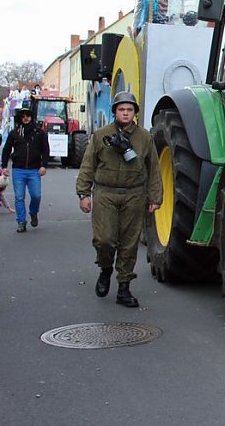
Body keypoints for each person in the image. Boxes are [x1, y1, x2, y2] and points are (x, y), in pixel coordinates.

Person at [75, 91, 162, 308]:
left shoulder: (144, 138)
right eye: (121, 109)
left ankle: (124, 287)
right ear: (115, 112)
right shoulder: (101, 135)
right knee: (104, 239)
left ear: (134, 113)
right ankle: (105, 268)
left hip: (134, 194)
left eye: (129, 110)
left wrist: (155, 197)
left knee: (129, 243)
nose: (125, 113)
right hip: (105, 193)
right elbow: (88, 165)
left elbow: (154, 170)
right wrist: (84, 194)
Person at [1, 106, 50, 233]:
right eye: (23, 116)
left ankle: (33, 212)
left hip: (34, 170)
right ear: (19, 118)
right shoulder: (15, 133)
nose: (25, 118)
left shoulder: (39, 132)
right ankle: (21, 222)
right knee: (19, 197)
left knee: (36, 195)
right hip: (18, 169)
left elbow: (45, 150)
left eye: (27, 115)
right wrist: (4, 166)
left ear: (31, 117)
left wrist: (44, 165)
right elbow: (6, 150)